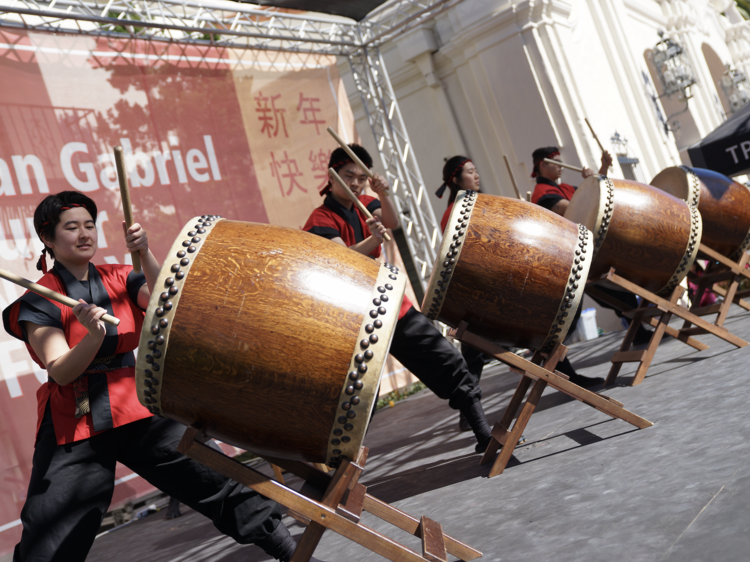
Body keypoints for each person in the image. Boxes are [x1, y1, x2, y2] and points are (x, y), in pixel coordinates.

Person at [3, 191, 322, 562]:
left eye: (89, 224)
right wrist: (93, 339)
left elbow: (165, 306)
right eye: (71, 227)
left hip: (135, 403)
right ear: (48, 239)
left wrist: (145, 252)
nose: (84, 233)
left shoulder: (121, 276)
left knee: (216, 478)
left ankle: (293, 554)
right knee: (51, 527)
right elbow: (60, 369)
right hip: (77, 419)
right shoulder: (39, 300)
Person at [303, 145, 493, 452]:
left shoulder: (366, 203)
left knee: (445, 358)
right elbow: (340, 262)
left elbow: (392, 222)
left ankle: (484, 434)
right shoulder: (320, 218)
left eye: (361, 178)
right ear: (332, 175)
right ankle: (335, 471)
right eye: (348, 175)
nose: (355, 183)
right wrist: (372, 241)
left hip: (385, 301)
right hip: (351, 316)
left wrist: (384, 193)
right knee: (358, 399)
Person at [436, 156, 493, 431]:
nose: (477, 175)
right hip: (471, 287)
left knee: (477, 354)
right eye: (470, 172)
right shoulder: (455, 211)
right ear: (456, 181)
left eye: (475, 170)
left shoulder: (475, 203)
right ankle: (469, 410)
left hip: (482, 284)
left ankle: (469, 410)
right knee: (474, 354)